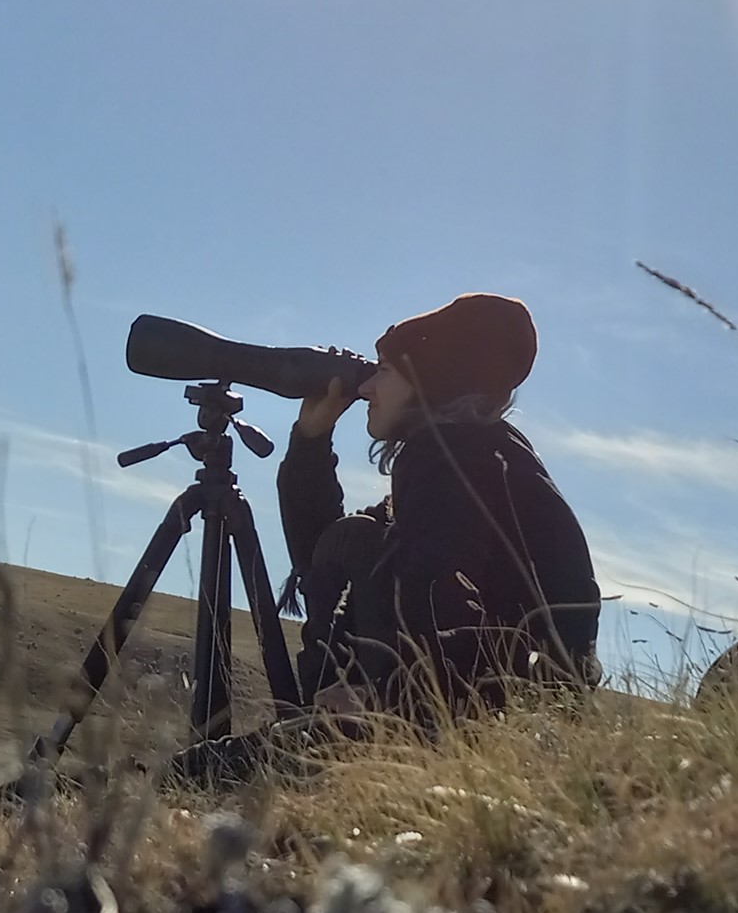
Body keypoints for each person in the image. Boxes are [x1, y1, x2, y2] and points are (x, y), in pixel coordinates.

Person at [168, 292, 601, 784]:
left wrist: (382, 697)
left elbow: (441, 594)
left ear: (431, 383)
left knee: (189, 778)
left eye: (386, 372)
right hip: (499, 723)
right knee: (357, 538)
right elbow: (325, 558)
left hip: (462, 735)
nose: (368, 387)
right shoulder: (480, 457)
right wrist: (311, 440)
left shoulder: (451, 460)